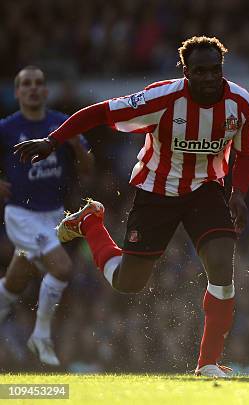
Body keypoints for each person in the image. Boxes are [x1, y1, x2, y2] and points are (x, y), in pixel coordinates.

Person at [14, 36, 249, 378]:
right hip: (156, 191)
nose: (208, 78)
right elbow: (100, 112)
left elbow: (247, 152)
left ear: (222, 69)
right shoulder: (162, 98)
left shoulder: (240, 102)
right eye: (199, 71)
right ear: (185, 71)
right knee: (128, 282)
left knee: (221, 265)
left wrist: (239, 193)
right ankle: (89, 223)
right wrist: (53, 140)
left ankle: (207, 363)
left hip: (207, 190)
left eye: (214, 70)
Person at [0, 66, 94, 366]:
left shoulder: (61, 124)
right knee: (63, 269)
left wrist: (79, 147)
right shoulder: (6, 128)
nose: (33, 88)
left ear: (45, 90)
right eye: (26, 84)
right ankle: (40, 335)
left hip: (53, 213)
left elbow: (88, 169)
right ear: (17, 92)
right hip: (21, 213)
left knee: (16, 281)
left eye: (38, 83)